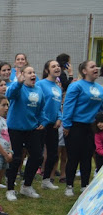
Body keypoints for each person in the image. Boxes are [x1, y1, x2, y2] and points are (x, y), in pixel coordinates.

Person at [4, 65, 46, 201]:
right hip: (15, 128)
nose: (32, 74)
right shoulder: (18, 88)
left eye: (34, 72)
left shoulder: (39, 90)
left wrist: (43, 121)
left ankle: (26, 185)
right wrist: (19, 83)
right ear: (23, 75)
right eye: (29, 72)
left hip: (32, 128)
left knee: (37, 156)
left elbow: (42, 109)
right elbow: (9, 95)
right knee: (15, 159)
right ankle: (10, 188)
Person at [62, 60, 103, 196]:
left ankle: (84, 185)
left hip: (91, 127)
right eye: (92, 67)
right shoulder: (76, 86)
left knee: (87, 157)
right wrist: (67, 124)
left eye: (96, 66)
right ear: (84, 71)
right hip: (76, 125)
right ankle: (69, 185)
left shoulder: (100, 88)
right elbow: (68, 105)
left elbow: (101, 109)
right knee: (73, 157)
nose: (95, 68)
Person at [37, 60, 63, 191]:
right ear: (47, 70)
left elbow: (58, 106)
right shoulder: (40, 84)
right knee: (37, 154)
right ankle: (26, 181)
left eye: (58, 66)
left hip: (53, 125)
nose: (57, 68)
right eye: (53, 66)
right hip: (41, 124)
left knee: (53, 154)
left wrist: (59, 117)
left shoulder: (58, 87)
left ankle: (46, 179)